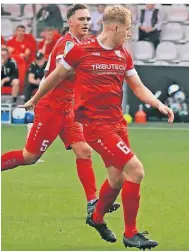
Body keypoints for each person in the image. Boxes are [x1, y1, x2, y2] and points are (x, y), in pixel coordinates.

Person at [22, 5, 174, 250]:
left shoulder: (123, 54)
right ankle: (131, 233)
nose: (130, 33)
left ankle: (96, 217)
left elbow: (137, 86)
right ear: (115, 27)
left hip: (117, 124)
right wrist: (34, 99)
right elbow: (55, 76)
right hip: (96, 126)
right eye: (127, 28)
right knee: (136, 171)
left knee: (116, 180)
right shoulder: (82, 51)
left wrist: (158, 104)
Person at [1, 4, 120, 215]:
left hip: (68, 110)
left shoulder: (80, 45)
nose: (86, 23)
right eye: (81, 19)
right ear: (70, 22)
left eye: (87, 19)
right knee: (30, 157)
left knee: (84, 150)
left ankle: (92, 201)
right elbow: (63, 73)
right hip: (51, 108)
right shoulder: (66, 44)